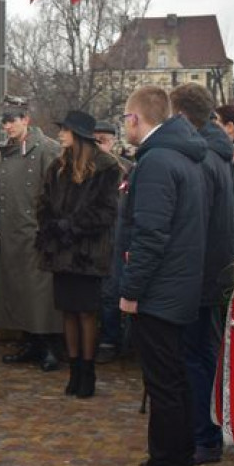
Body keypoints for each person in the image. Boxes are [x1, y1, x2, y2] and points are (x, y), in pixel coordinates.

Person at [114, 85, 206, 466]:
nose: (124, 127)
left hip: (159, 292)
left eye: (125, 119)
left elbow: (150, 235)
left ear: (135, 119)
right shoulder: (184, 156)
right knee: (176, 380)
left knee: (163, 385)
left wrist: (131, 290)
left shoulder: (156, 162)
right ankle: (180, 461)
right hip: (179, 287)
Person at [35, 111, 121, 398]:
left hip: (88, 252)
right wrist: (52, 226)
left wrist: (72, 226)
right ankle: (74, 371)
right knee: (68, 311)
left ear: (79, 134)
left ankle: (88, 372)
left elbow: (107, 212)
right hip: (61, 251)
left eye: (65, 130)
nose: (60, 134)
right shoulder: (58, 166)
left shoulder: (107, 166)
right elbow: (43, 202)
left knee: (86, 312)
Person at [171, 83, 234, 466]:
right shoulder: (217, 152)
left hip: (201, 274)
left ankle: (205, 436)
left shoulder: (204, 157)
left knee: (197, 357)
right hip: (213, 270)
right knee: (203, 353)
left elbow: (196, 224)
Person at [0, 96, 63, 371]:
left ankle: (49, 347)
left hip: (38, 233)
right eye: (4, 121)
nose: (7, 126)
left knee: (40, 295)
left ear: (26, 120)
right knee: (18, 291)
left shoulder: (47, 149)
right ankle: (30, 343)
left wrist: (50, 231)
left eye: (12, 120)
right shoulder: (7, 152)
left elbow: (58, 194)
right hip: (11, 233)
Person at [92, 120, 133, 365]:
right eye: (95, 140)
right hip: (92, 236)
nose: (99, 145)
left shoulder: (126, 168)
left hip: (116, 237)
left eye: (104, 140)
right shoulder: (85, 167)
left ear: (113, 142)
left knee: (112, 290)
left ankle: (111, 339)